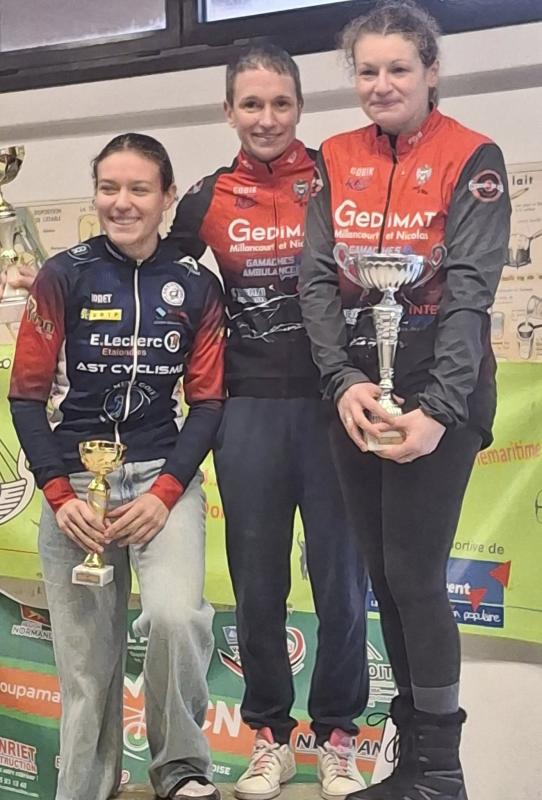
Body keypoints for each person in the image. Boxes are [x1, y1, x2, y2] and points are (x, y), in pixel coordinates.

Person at [298, 2, 511, 798]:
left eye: (398, 68)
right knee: (383, 580)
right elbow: (316, 279)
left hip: (437, 393)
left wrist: (439, 412)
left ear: (431, 71)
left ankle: (442, 776)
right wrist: (342, 381)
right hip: (357, 393)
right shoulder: (336, 155)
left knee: (417, 578)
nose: (381, 83)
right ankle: (412, 764)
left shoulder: (472, 155)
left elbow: (470, 294)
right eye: (367, 70)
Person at [170, 44, 368, 800]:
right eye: (251, 104)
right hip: (247, 409)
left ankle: (339, 739)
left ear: (300, 107)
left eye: (281, 102)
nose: (266, 117)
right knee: (258, 586)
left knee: (342, 581)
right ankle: (269, 739)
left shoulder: (336, 178)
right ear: (229, 111)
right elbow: (152, 272)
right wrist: (61, 276)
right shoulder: (205, 198)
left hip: (334, 406)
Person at [9, 133, 226, 800]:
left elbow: (208, 403)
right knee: (85, 665)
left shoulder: (197, 287)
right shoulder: (62, 275)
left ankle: (180, 769)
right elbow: (26, 396)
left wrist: (165, 492)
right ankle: (85, 787)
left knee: (175, 617)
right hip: (77, 486)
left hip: (162, 479)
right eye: (109, 188)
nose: (122, 202)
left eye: (138, 189)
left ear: (166, 196)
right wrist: (58, 494)